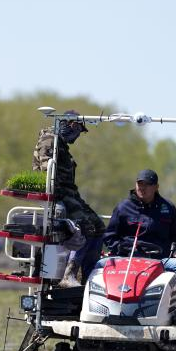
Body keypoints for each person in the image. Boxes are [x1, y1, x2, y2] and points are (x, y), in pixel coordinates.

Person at [33, 109, 105, 284]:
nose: (77, 136)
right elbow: (46, 172)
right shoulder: (50, 140)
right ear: (71, 124)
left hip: (70, 195)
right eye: (78, 130)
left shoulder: (61, 144)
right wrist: (58, 199)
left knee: (98, 227)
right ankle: (68, 274)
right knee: (87, 227)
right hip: (59, 196)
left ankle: (87, 278)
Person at [98, 169, 176, 286]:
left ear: (156, 187)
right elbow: (109, 236)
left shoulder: (168, 207)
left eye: (147, 184)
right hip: (126, 258)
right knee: (99, 265)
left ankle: (165, 294)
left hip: (158, 260)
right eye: (140, 184)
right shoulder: (123, 207)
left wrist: (168, 251)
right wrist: (121, 249)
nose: (142, 188)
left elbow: (175, 236)